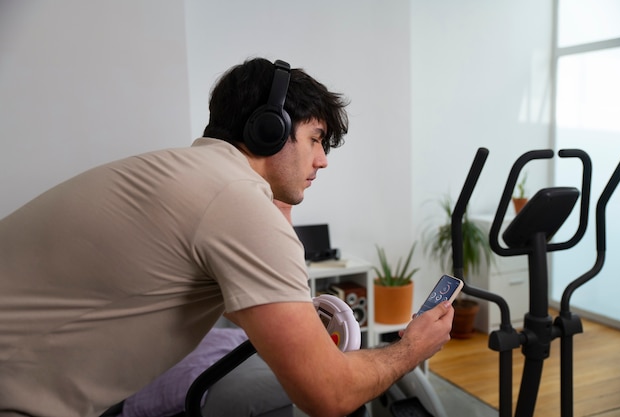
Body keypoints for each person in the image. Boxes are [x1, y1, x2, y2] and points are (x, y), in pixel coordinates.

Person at [0, 57, 454, 417]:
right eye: (316, 138)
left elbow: (241, 306)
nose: (323, 161)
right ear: (270, 128)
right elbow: (328, 396)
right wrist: (412, 346)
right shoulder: (234, 202)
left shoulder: (188, 173)